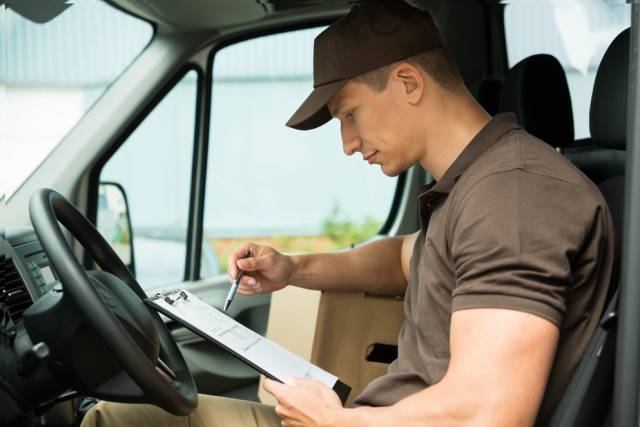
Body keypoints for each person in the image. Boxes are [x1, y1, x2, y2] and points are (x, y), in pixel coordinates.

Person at [82, 1, 614, 426]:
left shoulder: (514, 198)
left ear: (409, 83)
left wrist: (334, 421)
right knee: (118, 416)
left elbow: (489, 411)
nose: (348, 143)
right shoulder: (474, 185)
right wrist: (293, 268)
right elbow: (406, 259)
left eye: (349, 114)